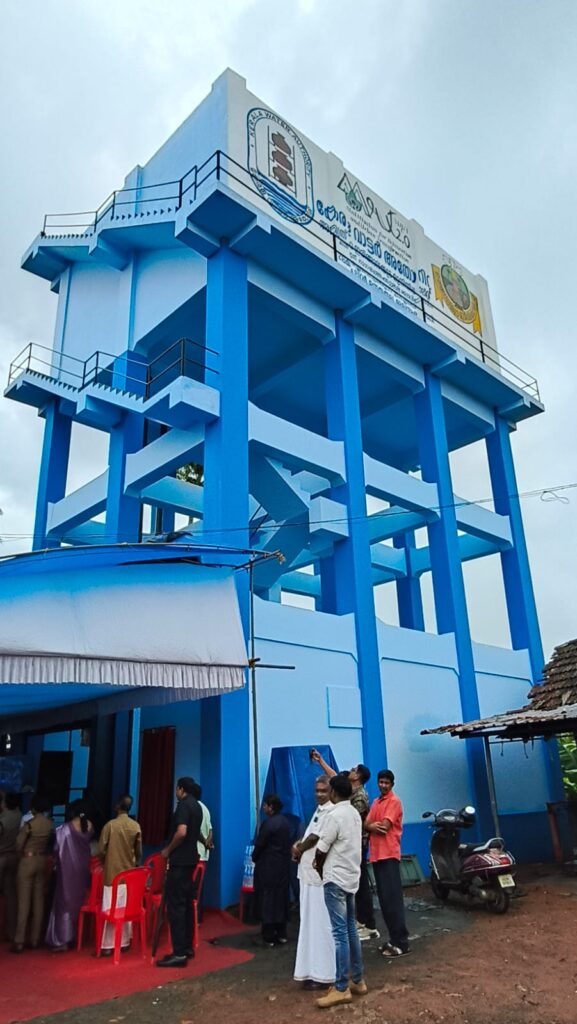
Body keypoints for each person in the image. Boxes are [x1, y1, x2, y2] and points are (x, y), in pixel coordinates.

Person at [311, 750, 379, 941]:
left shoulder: (360, 797)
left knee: (360, 883)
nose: (350, 770)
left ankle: (368, 923)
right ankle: (357, 920)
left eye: (354, 769)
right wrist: (320, 761)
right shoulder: (348, 788)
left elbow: (351, 821)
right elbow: (334, 776)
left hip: (356, 845)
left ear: (358, 777)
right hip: (347, 844)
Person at [312, 774, 367, 1008]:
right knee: (351, 929)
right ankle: (358, 979)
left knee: (340, 934)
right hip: (352, 877)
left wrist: (318, 866)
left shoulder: (333, 815)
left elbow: (321, 848)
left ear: (333, 792)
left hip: (335, 878)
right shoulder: (354, 813)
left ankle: (341, 987)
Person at [292, 775, 335, 990]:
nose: (319, 794)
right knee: (309, 923)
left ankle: (324, 974)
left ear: (332, 792)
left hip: (318, 878)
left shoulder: (331, 812)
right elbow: (308, 835)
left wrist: (298, 849)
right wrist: (298, 845)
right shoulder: (319, 811)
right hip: (307, 875)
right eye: (317, 790)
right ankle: (310, 969)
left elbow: (314, 838)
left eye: (323, 791)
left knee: (321, 924)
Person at [156, 777, 202, 968]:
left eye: (177, 789)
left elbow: (182, 832)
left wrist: (168, 850)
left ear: (181, 789)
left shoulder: (183, 806)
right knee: (187, 905)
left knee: (176, 907)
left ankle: (179, 952)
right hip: (191, 859)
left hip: (179, 861)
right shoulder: (197, 806)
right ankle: (187, 947)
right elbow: (195, 832)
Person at [365, 769, 410, 958]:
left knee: (392, 899)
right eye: (381, 782)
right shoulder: (376, 802)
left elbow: (384, 827)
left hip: (389, 855)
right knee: (384, 900)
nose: (383, 785)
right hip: (376, 856)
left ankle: (402, 942)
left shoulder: (394, 802)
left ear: (392, 784)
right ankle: (393, 939)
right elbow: (366, 823)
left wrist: (370, 826)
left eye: (386, 782)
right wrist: (370, 825)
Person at [45, 800, 94, 950]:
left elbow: (56, 848)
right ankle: (74, 936)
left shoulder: (64, 828)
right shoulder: (90, 825)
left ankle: (62, 940)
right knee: (77, 901)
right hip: (83, 868)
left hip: (67, 868)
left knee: (63, 901)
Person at [99, 794, 142, 955]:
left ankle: (107, 945)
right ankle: (124, 942)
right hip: (128, 874)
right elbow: (138, 852)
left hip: (111, 873)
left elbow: (101, 849)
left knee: (109, 907)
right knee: (125, 908)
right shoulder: (135, 826)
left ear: (118, 806)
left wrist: (105, 860)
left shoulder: (110, 826)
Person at [12, 794, 54, 953]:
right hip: (42, 860)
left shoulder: (29, 825)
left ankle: (19, 940)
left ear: (34, 807)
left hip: (27, 860)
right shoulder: (49, 824)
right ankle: (35, 938)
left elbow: (18, 845)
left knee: (23, 902)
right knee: (39, 900)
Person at [252, 794, 291, 948]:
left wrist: (255, 857)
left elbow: (260, 844)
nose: (263, 808)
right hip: (283, 866)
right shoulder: (285, 823)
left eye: (265, 805)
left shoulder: (268, 824)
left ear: (271, 807)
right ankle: (281, 933)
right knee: (281, 899)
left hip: (268, 867)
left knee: (267, 900)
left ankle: (268, 936)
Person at [0, 792, 22, 942]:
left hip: (1, 857)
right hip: (13, 857)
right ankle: (12, 932)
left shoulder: (3, 820)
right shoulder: (19, 815)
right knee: (11, 896)